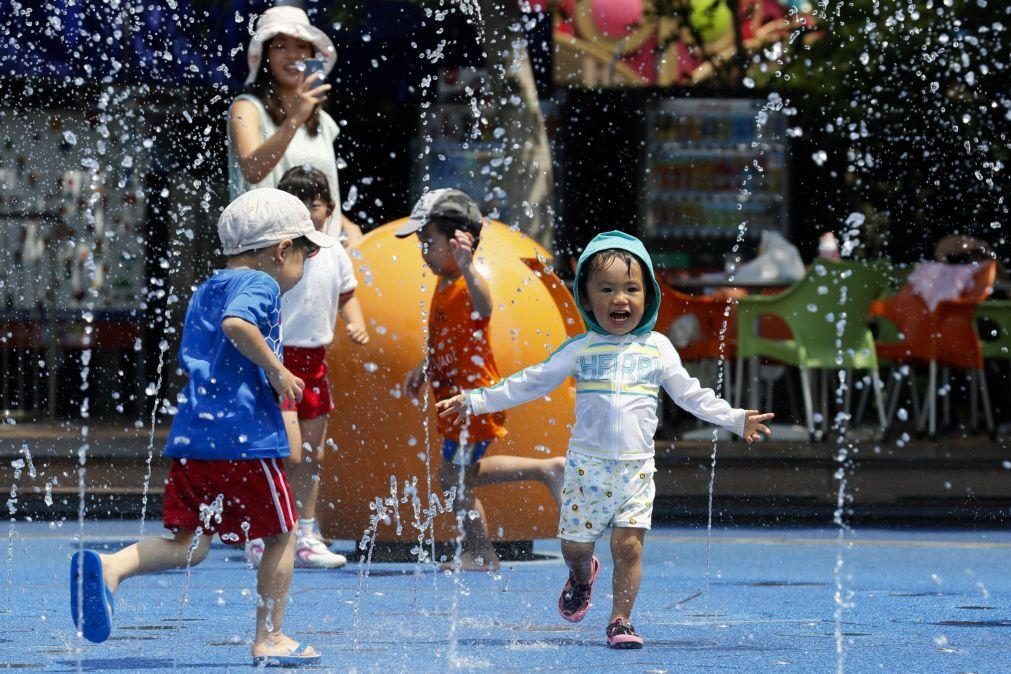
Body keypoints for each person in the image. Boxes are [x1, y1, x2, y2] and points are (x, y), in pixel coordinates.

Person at [437, 230, 774, 648]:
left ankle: (621, 620)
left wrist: (736, 419)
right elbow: (530, 382)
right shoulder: (580, 349)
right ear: (587, 298)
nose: (621, 298)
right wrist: (476, 400)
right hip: (586, 468)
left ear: (647, 295)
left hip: (636, 469)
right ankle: (582, 575)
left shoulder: (658, 348)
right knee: (575, 546)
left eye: (632, 288)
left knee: (629, 547)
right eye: (608, 289)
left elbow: (691, 395)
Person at [70, 188, 336, 667]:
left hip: (195, 439)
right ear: (281, 251)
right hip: (244, 441)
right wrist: (277, 371)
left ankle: (111, 567)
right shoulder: (261, 285)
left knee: (188, 545)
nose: (307, 263)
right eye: (307, 252)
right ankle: (271, 635)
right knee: (282, 533)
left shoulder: (209, 286)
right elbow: (238, 326)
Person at [397, 188, 566, 572]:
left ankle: (482, 552)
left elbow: (485, 306)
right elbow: (445, 338)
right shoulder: (442, 282)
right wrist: (425, 369)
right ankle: (544, 470)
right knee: (460, 476)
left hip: (473, 400)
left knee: (453, 479)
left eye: (429, 241)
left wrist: (467, 265)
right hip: (457, 400)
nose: (423, 250)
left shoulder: (465, 281)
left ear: (459, 240)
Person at [244, 166, 370, 569]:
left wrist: (356, 321)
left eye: (312, 204)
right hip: (278, 362)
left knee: (313, 454)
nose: (305, 212)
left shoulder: (334, 252)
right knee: (288, 454)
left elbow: (347, 294)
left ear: (329, 209)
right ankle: (266, 528)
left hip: (315, 363)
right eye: (295, 204)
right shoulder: (277, 252)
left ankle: (307, 531)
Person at [228, 5, 364, 247]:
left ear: (313, 56)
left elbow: (314, 192)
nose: (293, 55)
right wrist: (294, 119)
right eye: (280, 46)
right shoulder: (247, 108)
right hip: (269, 254)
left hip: (321, 253)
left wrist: (346, 224)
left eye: (301, 46)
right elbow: (253, 170)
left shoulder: (320, 119)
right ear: (265, 56)